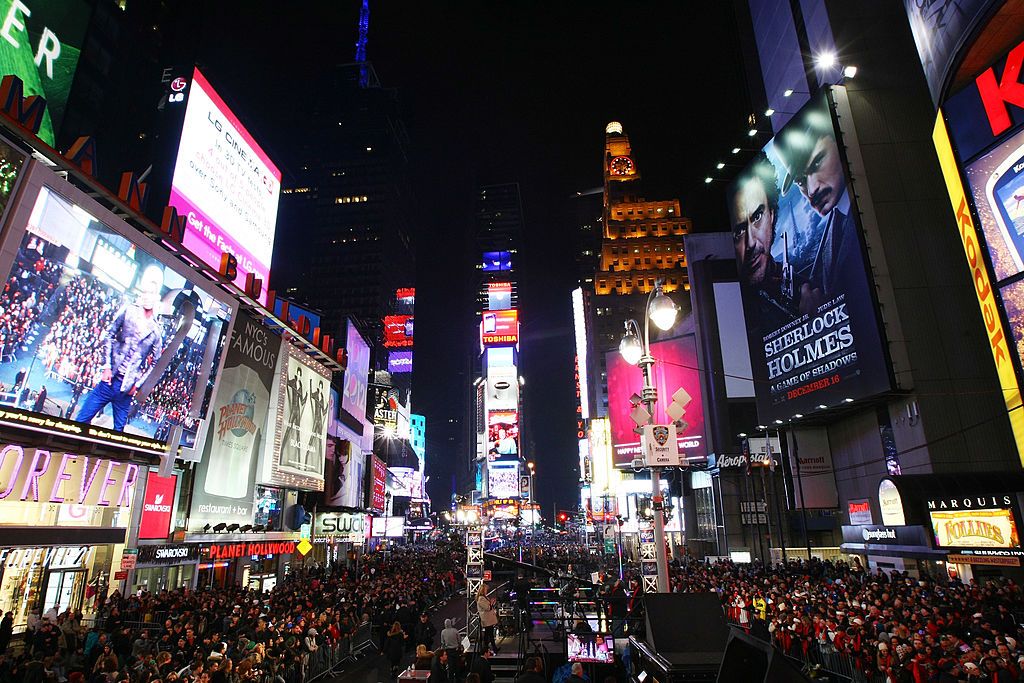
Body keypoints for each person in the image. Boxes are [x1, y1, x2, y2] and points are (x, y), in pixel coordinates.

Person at [776, 101, 860, 310]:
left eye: (816, 163)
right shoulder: (836, 221)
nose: (811, 190)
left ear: (838, 140)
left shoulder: (868, 203)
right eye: (801, 182)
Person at [76, 266, 165, 431]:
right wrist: (107, 366)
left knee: (118, 434)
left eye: (151, 293)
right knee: (80, 420)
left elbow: (156, 364)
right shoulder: (128, 311)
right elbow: (109, 334)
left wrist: (137, 385)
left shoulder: (156, 331)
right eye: (145, 292)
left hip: (127, 389)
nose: (147, 296)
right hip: (109, 381)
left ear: (156, 297)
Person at [476, 584, 498, 654]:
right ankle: (492, 648)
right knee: (489, 634)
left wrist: (492, 603)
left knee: (488, 634)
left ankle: (489, 648)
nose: (486, 591)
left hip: (488, 619)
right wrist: (491, 603)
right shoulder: (481, 599)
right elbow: (487, 608)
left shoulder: (484, 597)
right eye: (486, 590)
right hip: (486, 620)